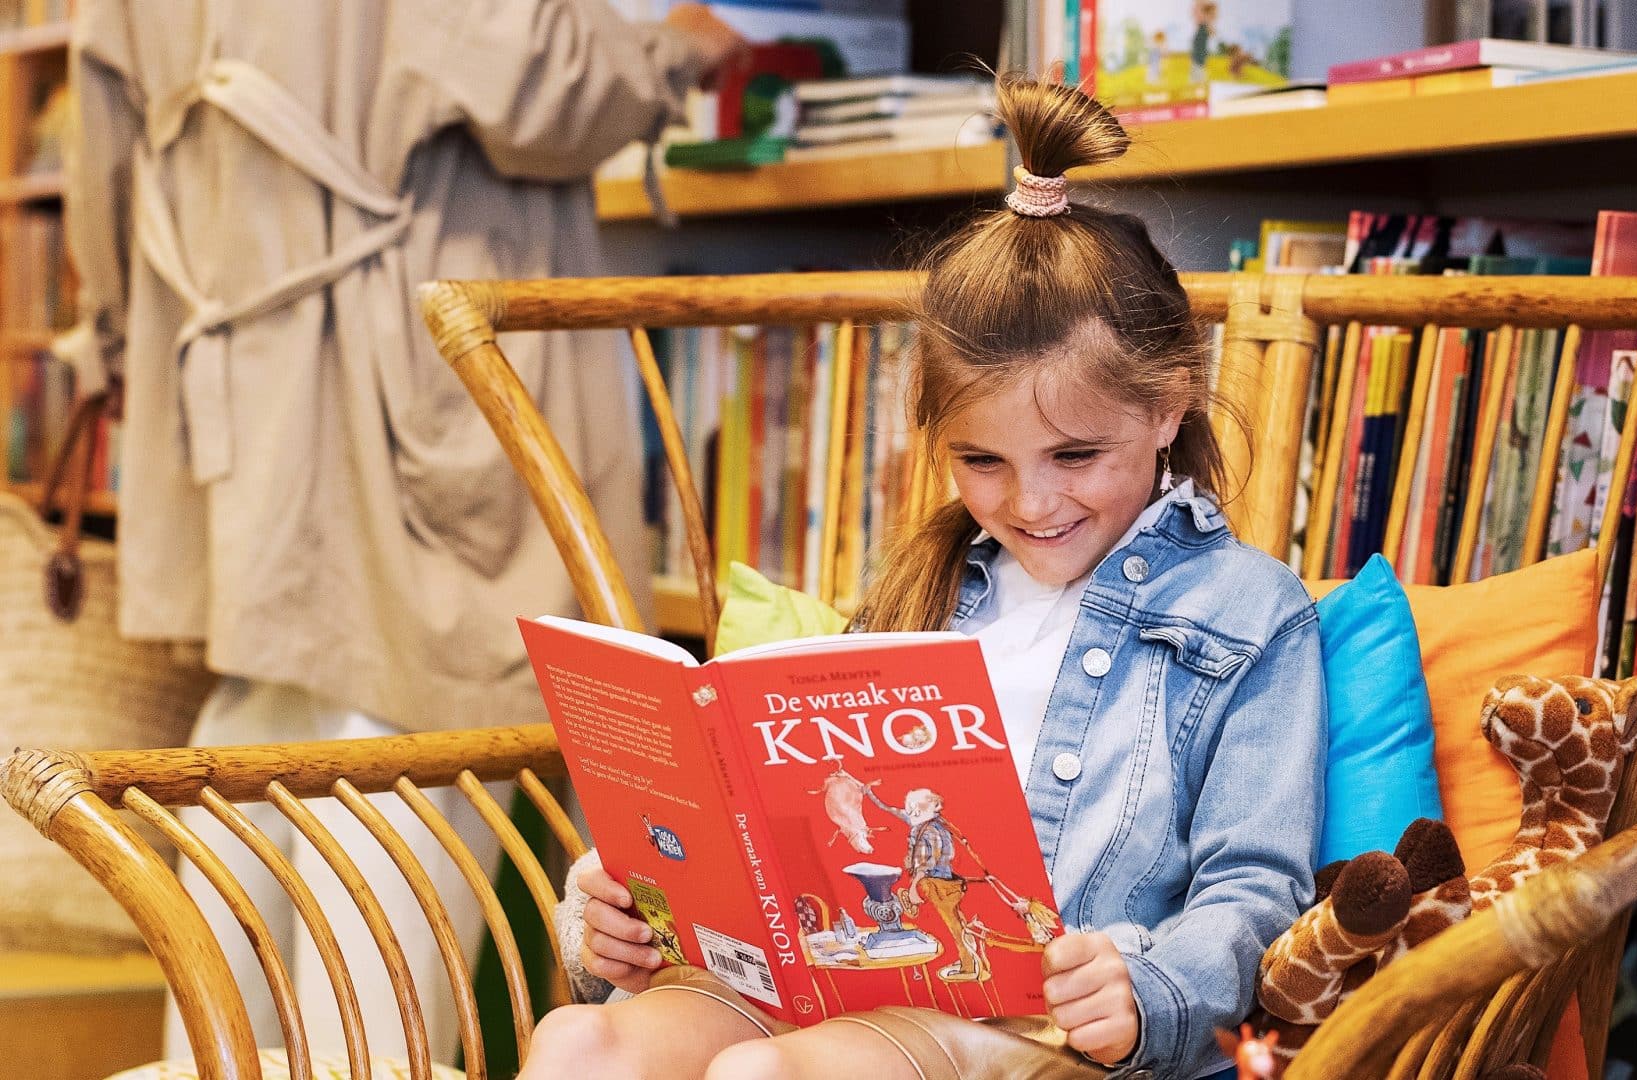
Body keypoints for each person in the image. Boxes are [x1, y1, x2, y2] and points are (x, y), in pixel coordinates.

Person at [531, 74, 1327, 1080]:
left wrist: (1148, 993)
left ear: (1170, 404)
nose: (1030, 505)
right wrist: (631, 900)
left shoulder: (1248, 615)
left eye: (1074, 457)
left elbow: (1254, 890)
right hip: (841, 977)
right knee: (583, 1041)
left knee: (767, 1075)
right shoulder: (929, 588)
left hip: (1036, 1031)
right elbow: (785, 825)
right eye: (981, 462)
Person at [61, 0, 742, 1062]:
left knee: (260, 731)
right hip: (394, 369)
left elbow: (104, 126)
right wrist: (677, 45)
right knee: (413, 744)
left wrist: (120, 336)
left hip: (235, 371)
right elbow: (545, 82)